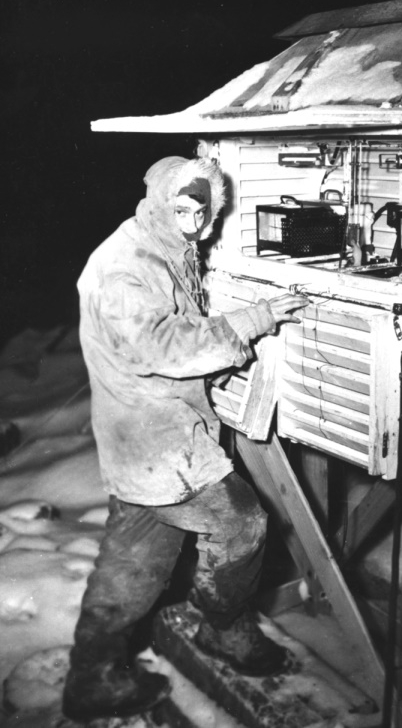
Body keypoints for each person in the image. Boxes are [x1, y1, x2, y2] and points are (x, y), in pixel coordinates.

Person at [63, 156, 309, 721]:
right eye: (182, 209)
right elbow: (161, 344)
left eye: (204, 213)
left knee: (136, 562)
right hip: (156, 439)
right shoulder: (125, 266)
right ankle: (222, 626)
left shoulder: (164, 248)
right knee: (241, 523)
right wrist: (252, 321)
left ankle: (91, 677)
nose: (195, 223)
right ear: (156, 202)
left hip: (146, 437)